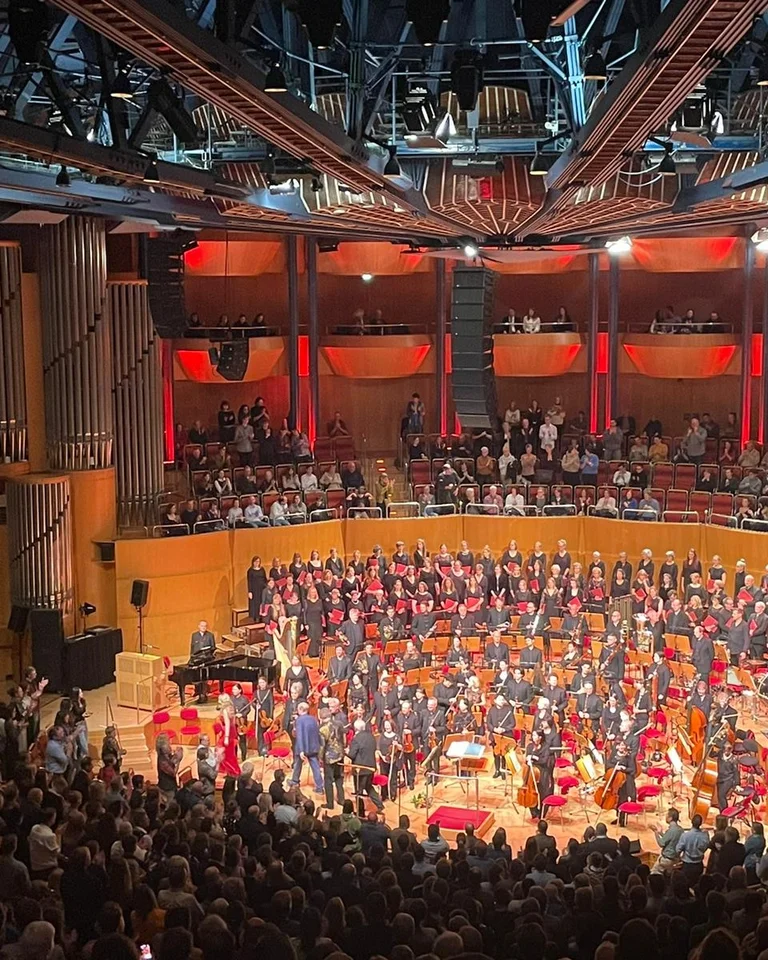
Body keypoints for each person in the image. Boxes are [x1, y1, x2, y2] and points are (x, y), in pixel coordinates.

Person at [290, 702, 324, 795]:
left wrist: (301, 751)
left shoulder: (299, 720)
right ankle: (320, 787)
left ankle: (295, 781)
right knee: (316, 767)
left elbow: (299, 735)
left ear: (300, 709)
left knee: (297, 764)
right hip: (313, 747)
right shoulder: (313, 719)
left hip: (303, 748)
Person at [189, 619, 216, 701]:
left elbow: (213, 647)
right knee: (196, 675)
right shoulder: (194, 635)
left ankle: (204, 692)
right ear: (199, 626)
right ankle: (197, 691)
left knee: (204, 677)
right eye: (202, 626)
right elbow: (192, 647)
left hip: (206, 660)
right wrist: (191, 658)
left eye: (205, 626)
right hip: (197, 659)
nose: (203, 627)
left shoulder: (210, 635)